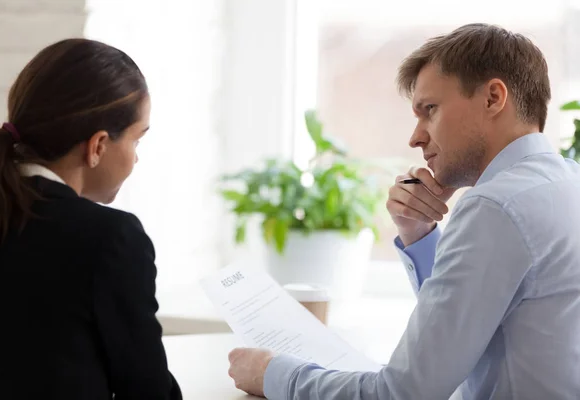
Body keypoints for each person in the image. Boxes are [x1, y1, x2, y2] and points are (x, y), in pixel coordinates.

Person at [227, 23, 580, 399]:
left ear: (493, 98)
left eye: (430, 110)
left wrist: (271, 374)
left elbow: (402, 393)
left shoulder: (494, 208)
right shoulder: (566, 183)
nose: (415, 136)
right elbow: (465, 327)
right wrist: (418, 232)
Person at [0, 39, 182, 400]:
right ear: (98, 145)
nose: (136, 159)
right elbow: (148, 392)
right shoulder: (111, 239)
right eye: (137, 141)